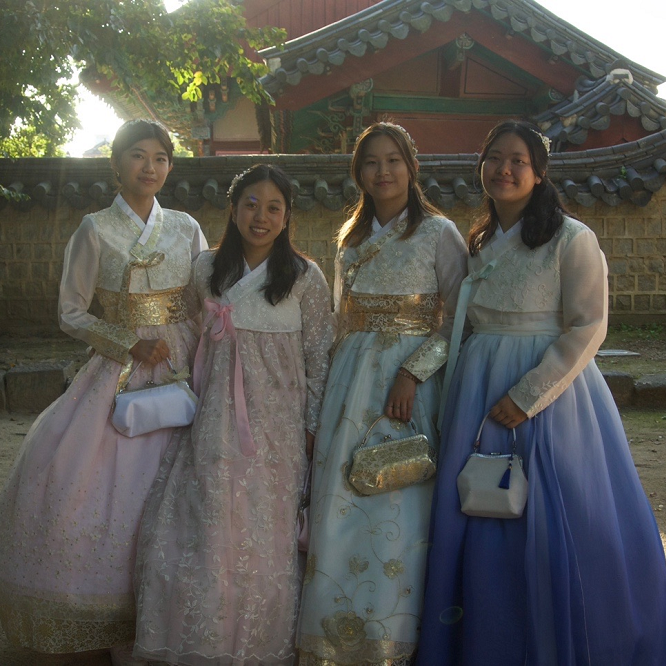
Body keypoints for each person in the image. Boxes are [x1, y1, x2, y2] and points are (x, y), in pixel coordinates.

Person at [417, 120, 666, 665]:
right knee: (480, 505)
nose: (505, 169)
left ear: (539, 172)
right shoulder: (479, 239)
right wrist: (420, 373)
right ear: (481, 165)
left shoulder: (573, 238)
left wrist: (528, 395)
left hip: (548, 393)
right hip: (477, 386)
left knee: (555, 517)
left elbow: (588, 326)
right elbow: (459, 322)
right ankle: (489, 636)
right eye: (495, 158)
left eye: (519, 161)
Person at [0, 120, 207, 661]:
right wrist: (125, 342)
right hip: (120, 366)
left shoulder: (186, 227)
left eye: (160, 157)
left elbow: (206, 299)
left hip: (182, 363)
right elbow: (70, 311)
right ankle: (98, 612)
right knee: (84, 481)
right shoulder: (94, 229)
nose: (149, 167)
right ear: (116, 164)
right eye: (137, 156)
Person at [132, 164, 334, 665]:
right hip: (216, 415)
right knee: (210, 520)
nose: (260, 217)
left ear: (287, 217)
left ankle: (262, 645)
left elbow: (319, 357)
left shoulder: (306, 277)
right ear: (232, 208)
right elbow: (184, 338)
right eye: (250, 204)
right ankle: (204, 639)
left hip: (280, 425)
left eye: (273, 207)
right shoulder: (205, 269)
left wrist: (313, 427)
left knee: (269, 528)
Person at [297, 122, 467, 665]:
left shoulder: (441, 234)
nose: (383, 171)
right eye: (371, 162)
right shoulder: (350, 236)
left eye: (393, 160)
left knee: (401, 496)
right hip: (351, 378)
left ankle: (396, 637)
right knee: (342, 499)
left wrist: (414, 372)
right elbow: (340, 318)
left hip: (410, 384)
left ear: (411, 167)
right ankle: (336, 641)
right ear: (359, 173)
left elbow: (460, 320)